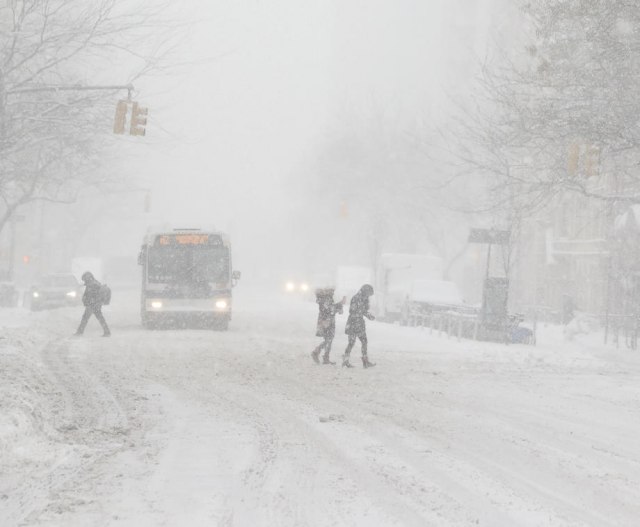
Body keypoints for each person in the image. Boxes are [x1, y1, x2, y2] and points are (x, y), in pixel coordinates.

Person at [343, 284, 376, 368]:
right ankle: (346, 360)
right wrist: (367, 314)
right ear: (365, 291)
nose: (369, 296)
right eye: (368, 293)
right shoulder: (356, 298)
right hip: (354, 322)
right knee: (352, 342)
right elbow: (354, 310)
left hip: (358, 322)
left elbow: (363, 310)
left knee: (363, 341)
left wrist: (367, 314)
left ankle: (364, 361)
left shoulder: (363, 298)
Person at [312, 288, 346, 365]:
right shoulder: (325, 298)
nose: (333, 292)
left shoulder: (327, 297)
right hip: (326, 321)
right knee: (329, 339)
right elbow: (329, 309)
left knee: (329, 339)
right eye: (332, 290)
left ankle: (325, 357)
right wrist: (340, 304)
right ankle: (316, 352)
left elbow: (332, 309)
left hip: (328, 320)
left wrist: (340, 305)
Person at [75, 271, 110, 337]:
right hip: (95, 304)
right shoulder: (94, 283)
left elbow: (91, 295)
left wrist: (88, 301)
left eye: (84, 279)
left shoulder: (92, 284)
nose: (84, 280)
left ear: (88, 278)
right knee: (100, 318)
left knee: (85, 318)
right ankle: (107, 331)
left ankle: (80, 332)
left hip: (92, 304)